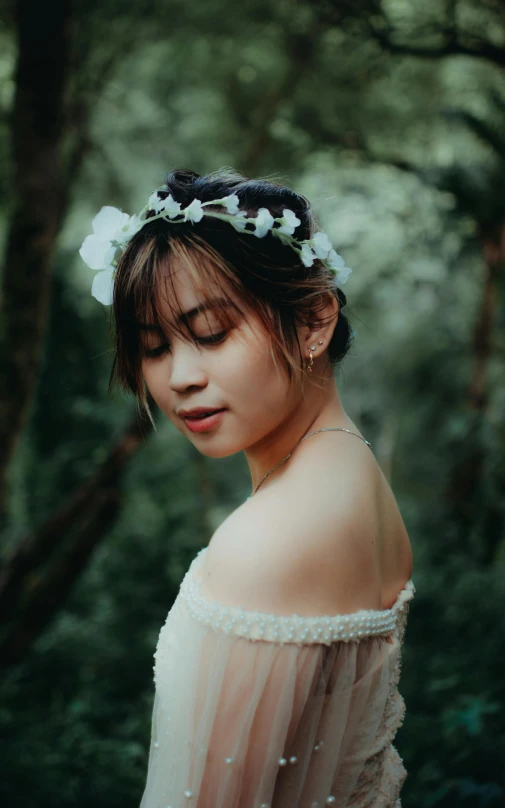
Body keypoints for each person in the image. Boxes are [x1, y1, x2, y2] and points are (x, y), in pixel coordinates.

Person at [80, 167, 415, 807]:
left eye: (211, 333)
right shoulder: (354, 476)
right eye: (152, 347)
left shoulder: (270, 541)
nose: (179, 376)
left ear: (315, 320)